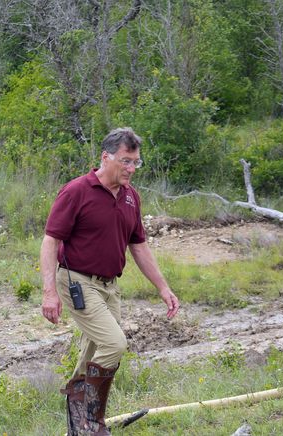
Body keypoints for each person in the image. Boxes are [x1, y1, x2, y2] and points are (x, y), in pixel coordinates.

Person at [40, 128, 180, 435]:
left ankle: (78, 421)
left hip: (109, 286)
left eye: (136, 163)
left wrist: (163, 287)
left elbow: (139, 245)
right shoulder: (77, 191)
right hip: (77, 281)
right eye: (126, 161)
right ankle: (92, 422)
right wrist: (49, 292)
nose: (131, 169)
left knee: (96, 351)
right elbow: (50, 241)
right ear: (106, 157)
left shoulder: (131, 197)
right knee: (114, 343)